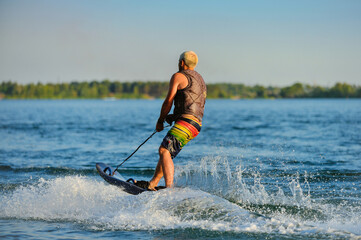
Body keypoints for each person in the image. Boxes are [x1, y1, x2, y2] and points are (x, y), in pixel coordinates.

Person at [133, 51, 206, 190]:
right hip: (195, 125)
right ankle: (153, 184)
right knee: (168, 152)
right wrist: (173, 117)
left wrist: (160, 120)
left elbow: (168, 101)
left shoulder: (179, 76)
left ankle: (169, 190)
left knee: (164, 151)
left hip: (186, 122)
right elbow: (192, 104)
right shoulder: (200, 80)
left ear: (182, 63)